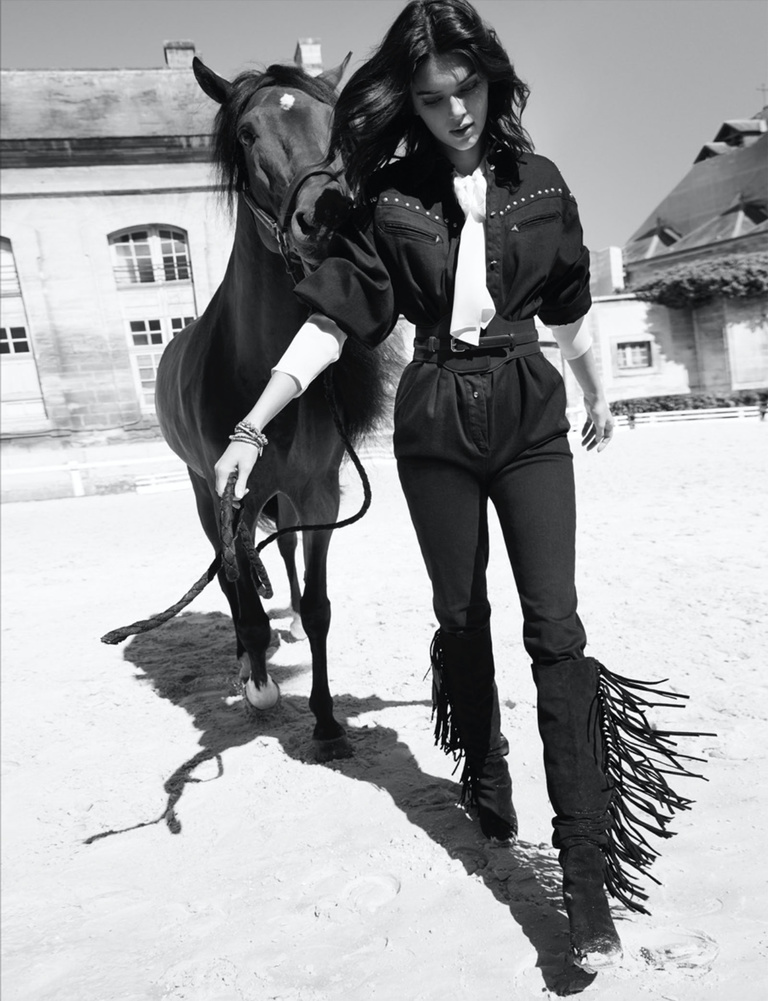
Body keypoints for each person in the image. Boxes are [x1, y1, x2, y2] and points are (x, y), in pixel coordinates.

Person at [215, 0, 703, 973]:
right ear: (414, 102)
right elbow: (333, 322)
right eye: (435, 99)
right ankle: (487, 776)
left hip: (528, 410)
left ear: (491, 79)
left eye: (467, 90)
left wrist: (600, 393)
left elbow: (573, 308)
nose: (456, 113)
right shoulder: (393, 198)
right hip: (435, 416)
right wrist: (251, 420)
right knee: (460, 614)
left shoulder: (541, 186)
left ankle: (588, 878)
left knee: (556, 630)